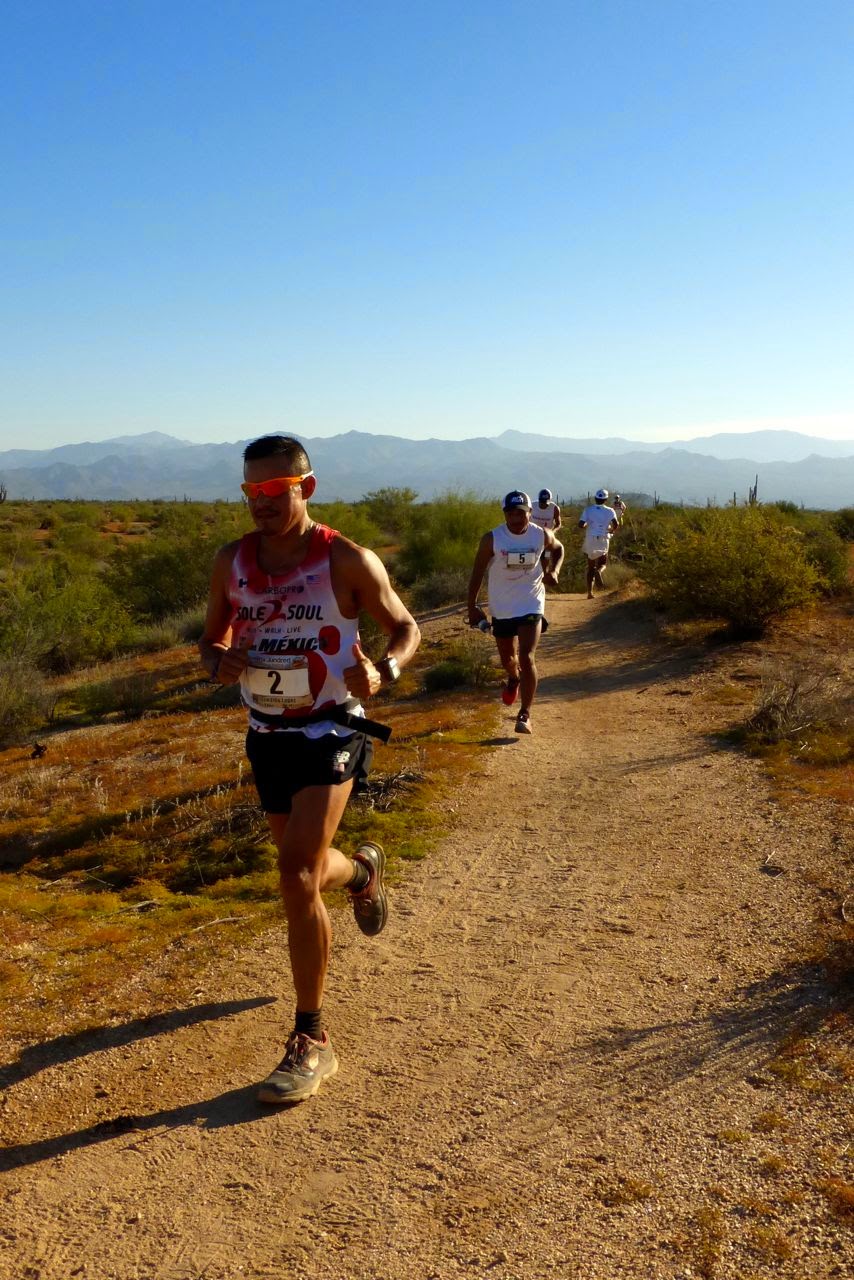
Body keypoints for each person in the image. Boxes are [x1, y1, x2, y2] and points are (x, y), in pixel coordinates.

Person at [199, 434, 420, 1105]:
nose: (262, 504)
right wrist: (220, 660)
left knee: (294, 872)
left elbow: (406, 626)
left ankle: (312, 1040)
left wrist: (385, 668)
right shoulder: (232, 561)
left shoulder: (344, 558)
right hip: (267, 731)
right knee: (309, 869)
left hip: (334, 727)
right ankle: (362, 871)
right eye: (251, 492)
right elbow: (211, 641)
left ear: (306, 487)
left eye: (275, 491)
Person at [467, 490, 564, 735]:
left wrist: (554, 571)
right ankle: (513, 678)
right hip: (502, 606)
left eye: (520, 513)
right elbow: (477, 572)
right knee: (508, 660)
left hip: (531, 602)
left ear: (529, 513)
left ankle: (525, 714)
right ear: (505, 514)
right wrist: (472, 606)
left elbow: (559, 548)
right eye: (511, 513)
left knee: (526, 657)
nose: (516, 518)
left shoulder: (540, 534)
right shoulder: (493, 539)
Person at [578, 488, 619, 599]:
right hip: (603, 538)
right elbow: (616, 524)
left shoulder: (588, 510)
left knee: (590, 567)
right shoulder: (610, 511)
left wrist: (588, 524)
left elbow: (581, 524)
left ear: (595, 498)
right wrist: (611, 531)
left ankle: (590, 593)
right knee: (602, 563)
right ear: (606, 500)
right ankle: (599, 571)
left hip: (590, 539)